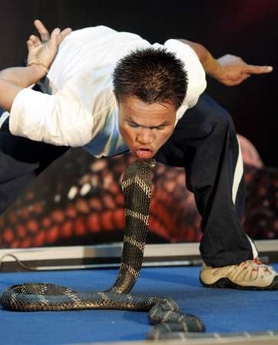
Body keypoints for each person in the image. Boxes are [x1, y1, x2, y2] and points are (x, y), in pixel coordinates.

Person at [0, 20, 277, 290]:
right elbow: (3, 84)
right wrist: (36, 67)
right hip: (62, 70)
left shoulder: (185, 73)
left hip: (129, 60)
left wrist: (219, 68)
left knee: (215, 123)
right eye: (134, 125)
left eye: (159, 126)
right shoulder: (76, 116)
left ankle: (226, 260)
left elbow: (191, 49)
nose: (145, 138)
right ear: (119, 102)